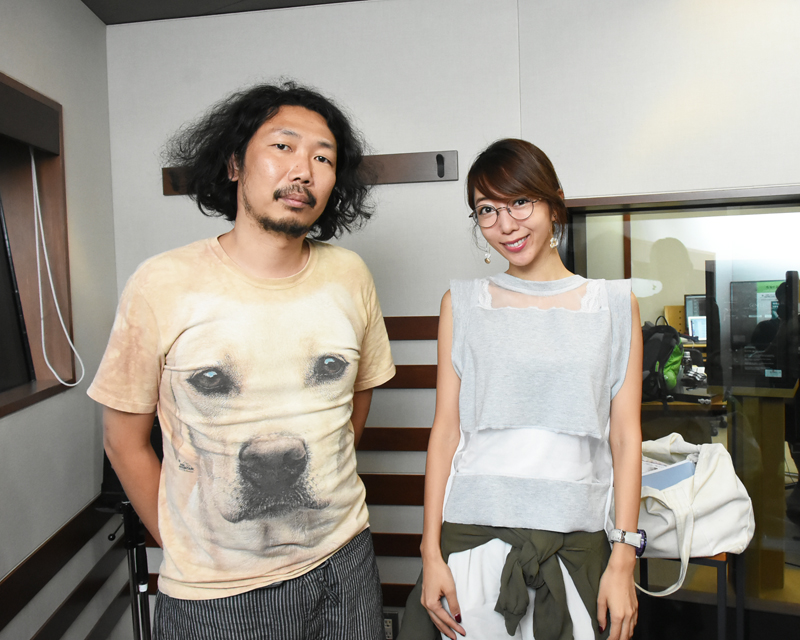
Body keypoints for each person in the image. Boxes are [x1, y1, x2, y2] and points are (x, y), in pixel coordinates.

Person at [88, 81, 395, 639]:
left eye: (323, 158)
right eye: (283, 146)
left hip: (345, 558)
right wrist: (186, 545)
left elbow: (357, 394)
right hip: (219, 593)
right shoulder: (161, 283)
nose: (303, 170)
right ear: (234, 164)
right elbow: (122, 440)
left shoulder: (350, 275)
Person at [400, 139, 643, 640]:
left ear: (554, 203)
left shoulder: (615, 305)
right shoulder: (461, 304)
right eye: (487, 210)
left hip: (577, 545)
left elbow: (625, 437)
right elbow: (445, 433)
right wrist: (430, 552)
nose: (505, 225)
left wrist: (624, 559)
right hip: (471, 542)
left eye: (519, 202)